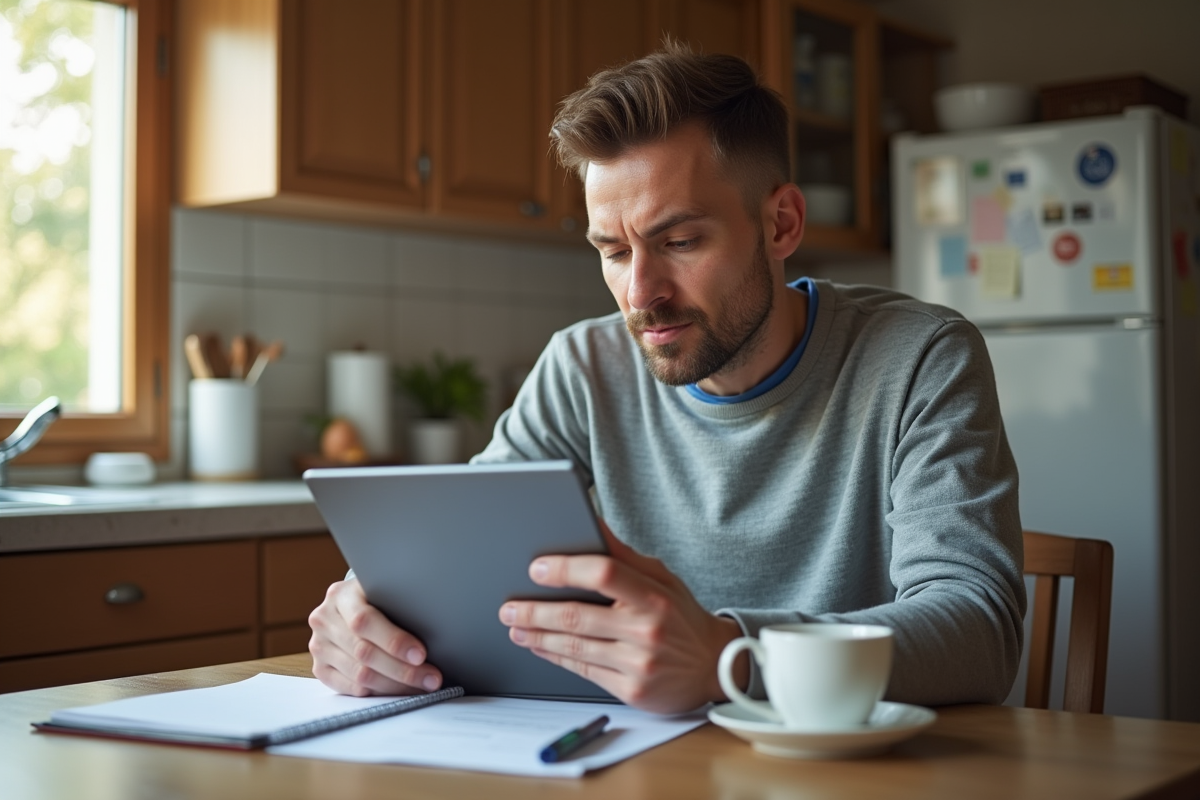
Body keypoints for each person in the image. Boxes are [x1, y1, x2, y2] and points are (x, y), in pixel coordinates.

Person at [308, 43, 1026, 714]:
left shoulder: (920, 358)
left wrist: (727, 657)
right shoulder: (582, 368)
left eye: (679, 241)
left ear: (780, 224)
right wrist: (368, 621)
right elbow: (460, 552)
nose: (640, 293)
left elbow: (978, 629)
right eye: (614, 251)